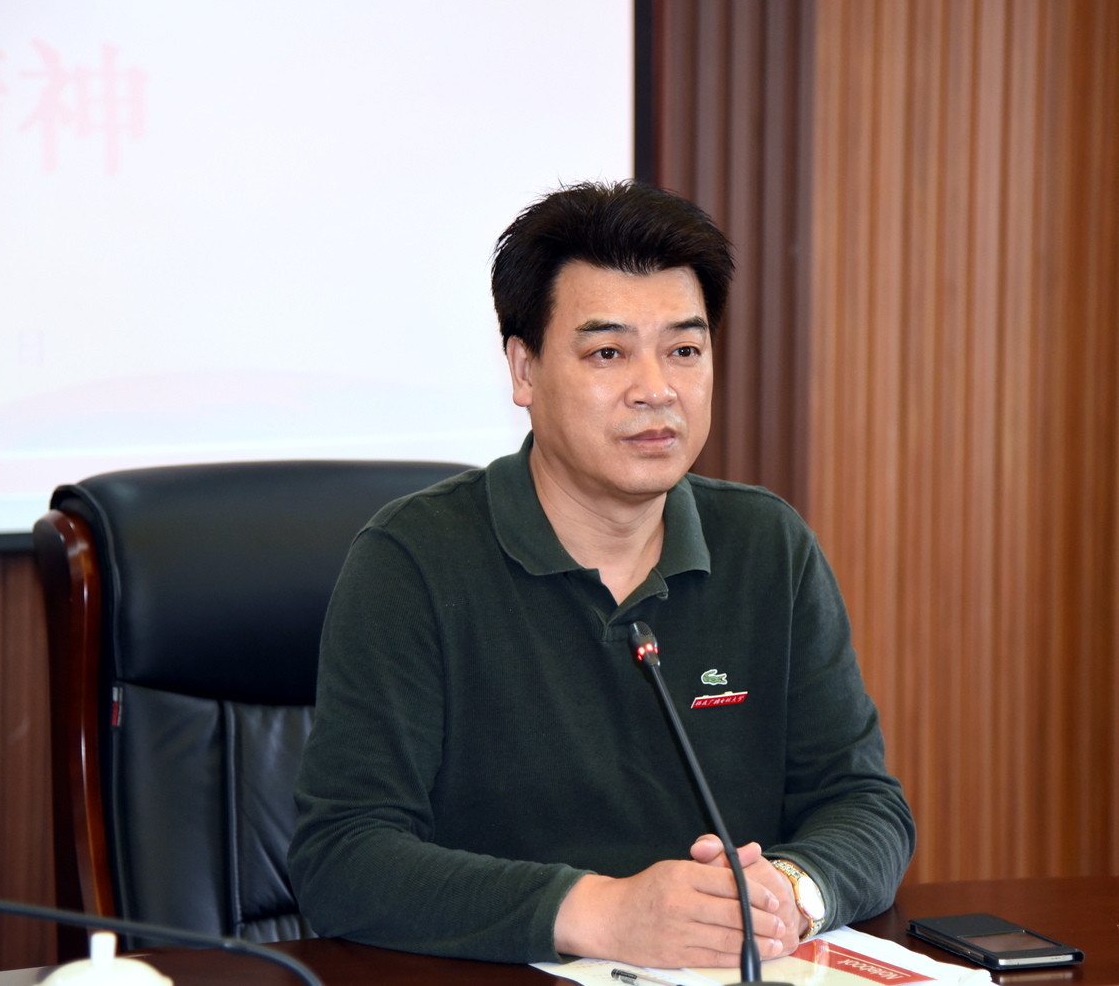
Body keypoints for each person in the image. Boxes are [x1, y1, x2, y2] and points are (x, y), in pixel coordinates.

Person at [287, 180, 913, 967]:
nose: (656, 390)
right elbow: (341, 857)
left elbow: (865, 806)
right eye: (608, 353)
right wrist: (600, 912)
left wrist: (788, 892)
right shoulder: (412, 561)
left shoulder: (767, 546)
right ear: (524, 371)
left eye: (684, 351)